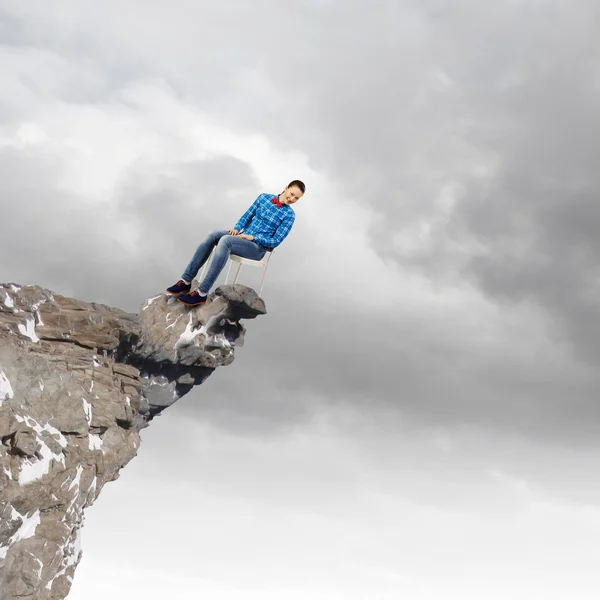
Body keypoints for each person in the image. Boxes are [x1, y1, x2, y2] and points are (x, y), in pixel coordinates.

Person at [166, 180, 306, 306]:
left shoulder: (289, 215)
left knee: (226, 241)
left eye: (296, 198)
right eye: (292, 194)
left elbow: (276, 241)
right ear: (286, 187)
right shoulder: (264, 198)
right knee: (213, 235)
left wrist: (254, 238)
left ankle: (201, 293)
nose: (292, 199)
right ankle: (185, 281)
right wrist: (237, 229)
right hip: (241, 236)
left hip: (257, 248)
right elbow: (247, 215)